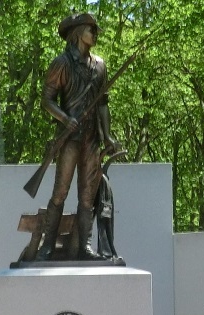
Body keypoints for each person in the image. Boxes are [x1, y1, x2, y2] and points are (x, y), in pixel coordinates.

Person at [36, 13, 121, 261]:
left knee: (87, 196)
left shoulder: (100, 65)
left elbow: (103, 104)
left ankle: (84, 248)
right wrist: (64, 118)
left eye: (95, 30)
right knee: (60, 192)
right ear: (78, 32)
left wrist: (107, 136)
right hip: (69, 138)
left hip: (92, 139)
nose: (94, 34)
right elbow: (46, 100)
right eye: (90, 29)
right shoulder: (61, 63)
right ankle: (47, 247)